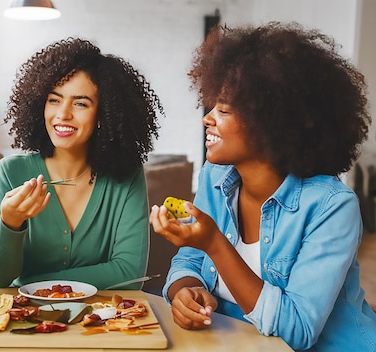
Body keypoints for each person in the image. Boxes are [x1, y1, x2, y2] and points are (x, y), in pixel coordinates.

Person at [150, 22, 376, 351]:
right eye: (212, 105)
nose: (207, 118)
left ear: (271, 123)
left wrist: (215, 243)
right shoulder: (215, 177)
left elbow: (297, 330)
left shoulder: (332, 206)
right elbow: (190, 261)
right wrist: (184, 290)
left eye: (223, 109)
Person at [0, 37, 163, 290]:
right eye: (54, 99)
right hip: (27, 323)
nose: (63, 114)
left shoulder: (127, 176)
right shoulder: (10, 172)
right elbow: (1, 277)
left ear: (103, 115)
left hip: (103, 325)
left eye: (80, 103)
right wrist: (11, 223)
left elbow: (129, 273)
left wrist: (31, 284)